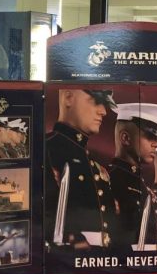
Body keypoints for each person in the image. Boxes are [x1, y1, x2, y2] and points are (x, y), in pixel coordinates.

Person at [46, 89, 118, 250]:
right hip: (66, 257)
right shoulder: (46, 149)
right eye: (96, 101)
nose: (103, 112)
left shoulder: (93, 164)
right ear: (68, 98)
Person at [107, 102, 157, 250]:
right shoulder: (109, 179)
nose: (156, 145)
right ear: (125, 138)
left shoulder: (146, 189)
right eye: (150, 137)